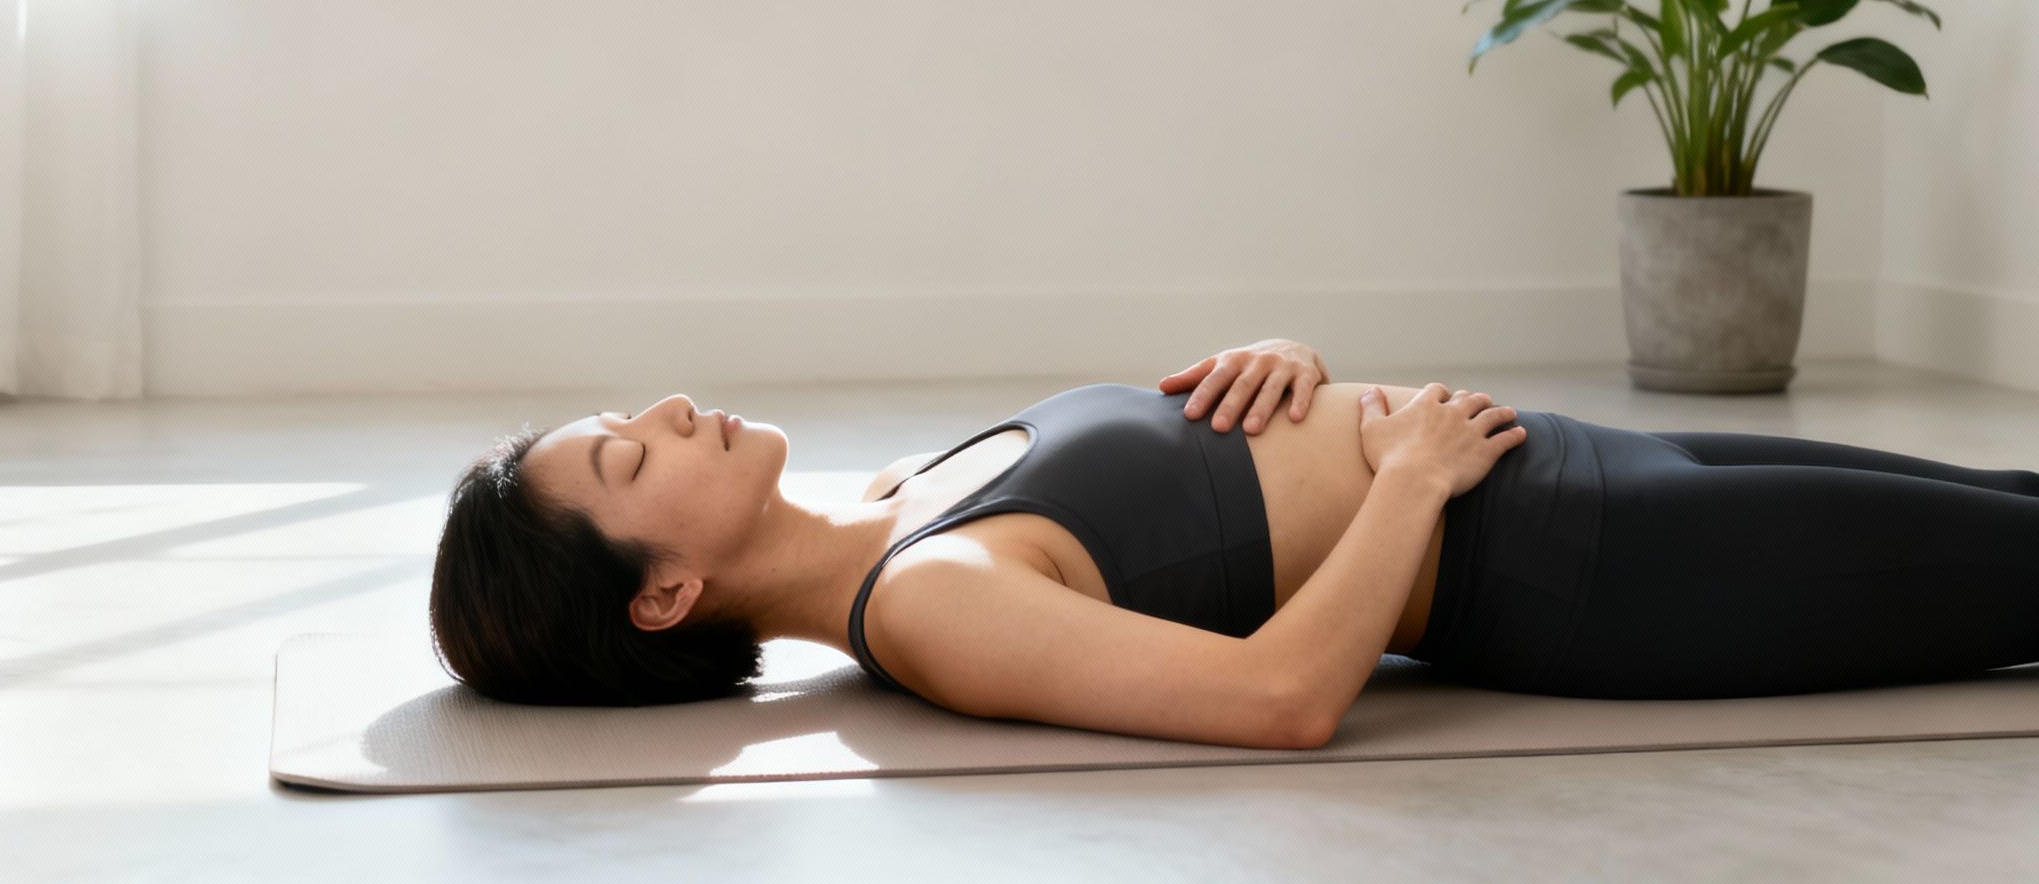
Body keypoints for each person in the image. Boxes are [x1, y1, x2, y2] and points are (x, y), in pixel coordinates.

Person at [427, 339, 2039, 750]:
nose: (677, 404)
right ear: (666, 595)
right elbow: (1279, 699)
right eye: (634, 454)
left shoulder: (900, 488)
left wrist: (1271, 369)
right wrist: (1403, 480)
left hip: (1576, 460)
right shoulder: (929, 603)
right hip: (1583, 567)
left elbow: (1195, 487)